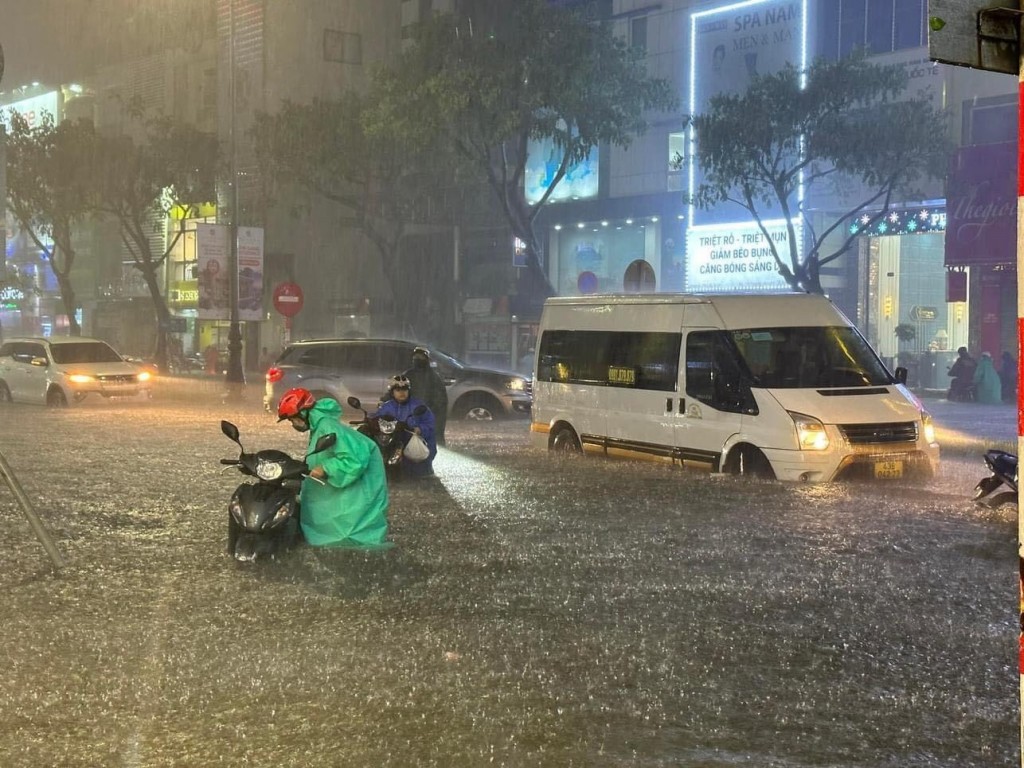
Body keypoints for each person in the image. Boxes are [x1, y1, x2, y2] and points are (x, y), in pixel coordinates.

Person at [277, 387, 390, 548]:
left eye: (294, 419)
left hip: (360, 492)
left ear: (303, 413)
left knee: (346, 537)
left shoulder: (326, 426)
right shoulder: (321, 425)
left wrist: (326, 468)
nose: (294, 424)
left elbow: (354, 459)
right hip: (354, 490)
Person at [375, 375, 437, 479]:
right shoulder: (387, 406)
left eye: (404, 389)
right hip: (392, 438)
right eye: (398, 390)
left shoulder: (418, 405)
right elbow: (376, 418)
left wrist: (419, 429)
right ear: (392, 392)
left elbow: (429, 423)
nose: (402, 393)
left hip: (411, 438)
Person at [402, 346, 448, 446]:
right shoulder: (409, 375)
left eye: (420, 357)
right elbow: (398, 390)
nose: (417, 360)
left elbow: (440, 399)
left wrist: (428, 410)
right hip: (411, 414)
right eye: (415, 357)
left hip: (427, 414)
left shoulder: (433, 377)